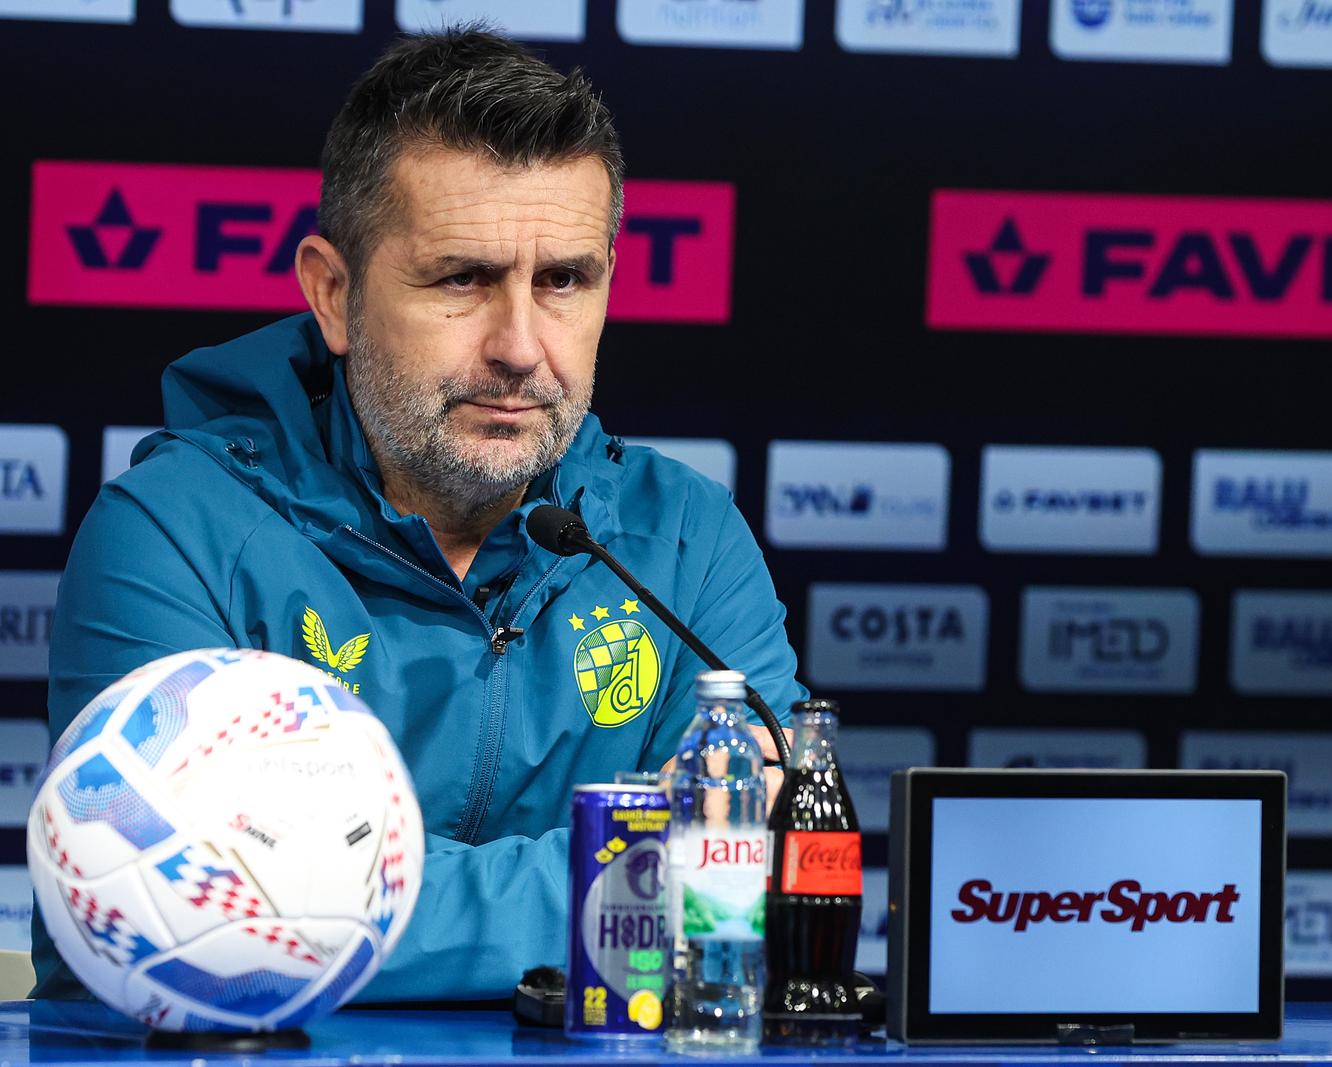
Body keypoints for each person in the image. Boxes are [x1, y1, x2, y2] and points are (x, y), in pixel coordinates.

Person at [33, 28, 805, 1002]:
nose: (521, 346)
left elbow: (752, 879)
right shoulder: (173, 534)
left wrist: (351, 887)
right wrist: (640, 874)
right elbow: (216, 920)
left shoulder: (684, 542)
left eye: (562, 280)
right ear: (335, 293)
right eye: (462, 279)